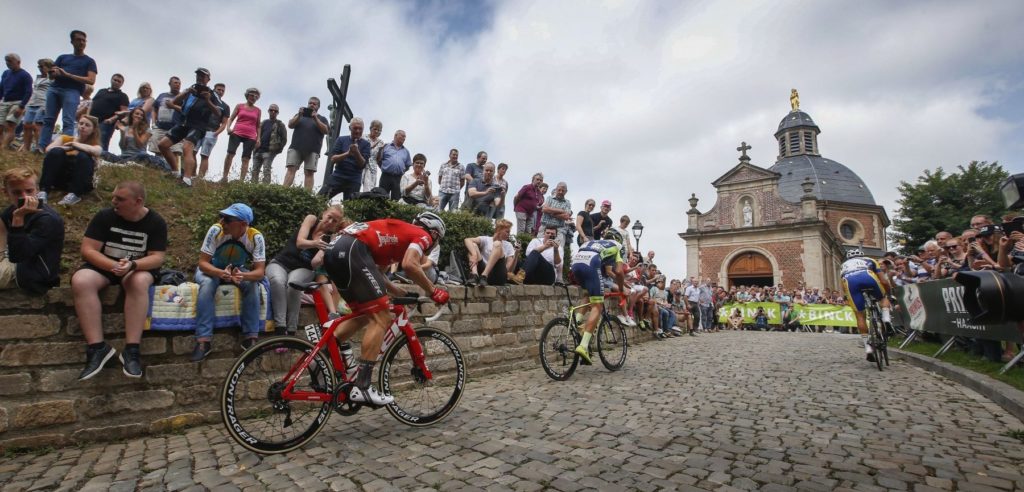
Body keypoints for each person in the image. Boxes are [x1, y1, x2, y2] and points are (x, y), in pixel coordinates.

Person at [318, 211, 450, 406]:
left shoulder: (395, 238)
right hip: (352, 250)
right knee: (382, 318)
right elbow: (410, 264)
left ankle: (319, 358)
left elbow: (376, 274)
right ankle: (362, 386)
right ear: (435, 233)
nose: (433, 245)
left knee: (365, 314)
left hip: (336, 251)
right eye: (437, 240)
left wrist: (401, 293)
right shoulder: (422, 235)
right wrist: (433, 291)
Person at [75, 181, 167, 380]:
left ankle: (132, 350)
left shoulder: (156, 222)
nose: (113, 201)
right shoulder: (104, 217)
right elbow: (88, 250)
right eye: (114, 196)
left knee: (139, 282)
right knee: (81, 281)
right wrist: (112, 266)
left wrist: (132, 265)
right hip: (105, 267)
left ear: (138, 201)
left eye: (120, 199)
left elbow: (157, 257)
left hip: (136, 268)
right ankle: (97, 348)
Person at [191, 203, 267, 361]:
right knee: (207, 285)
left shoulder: (255, 237)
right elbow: (203, 263)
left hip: (237, 269)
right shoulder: (216, 230)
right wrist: (219, 273)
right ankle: (203, 341)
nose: (222, 221)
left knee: (253, 285)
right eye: (222, 217)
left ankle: (251, 339)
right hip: (212, 268)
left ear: (243, 224)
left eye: (228, 219)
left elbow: (260, 272)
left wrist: (243, 276)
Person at [267, 204, 345, 335]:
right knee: (277, 280)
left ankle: (291, 329)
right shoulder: (311, 219)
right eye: (329, 217)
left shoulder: (329, 238)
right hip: (280, 262)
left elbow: (314, 264)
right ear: (324, 213)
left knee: (294, 284)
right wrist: (315, 243)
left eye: (334, 221)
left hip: (304, 268)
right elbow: (300, 242)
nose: (330, 222)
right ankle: (280, 327)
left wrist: (324, 252)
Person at [0, 167, 64, 294]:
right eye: (17, 192)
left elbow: (19, 255)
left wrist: (18, 218)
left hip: (33, 276)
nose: (25, 197)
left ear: (38, 190)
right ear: (5, 192)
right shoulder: (9, 211)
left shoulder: (47, 219)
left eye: (29, 191)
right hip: (11, 264)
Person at [157, 68, 224, 184]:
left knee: (187, 148)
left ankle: (187, 180)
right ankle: (175, 172)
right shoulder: (191, 89)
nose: (200, 78)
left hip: (198, 126)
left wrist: (208, 100)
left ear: (208, 79)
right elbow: (174, 102)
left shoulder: (212, 94)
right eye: (198, 75)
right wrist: (186, 92)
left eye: (203, 76)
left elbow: (218, 113)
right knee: (162, 145)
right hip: (184, 123)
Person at [569, 230, 627, 364]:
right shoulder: (617, 246)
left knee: (587, 294)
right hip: (591, 263)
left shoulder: (593, 241)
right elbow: (618, 271)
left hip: (576, 264)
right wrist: (622, 288)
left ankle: (576, 322)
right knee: (597, 306)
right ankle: (583, 346)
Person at [39, 30, 97, 150]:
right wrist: (54, 72)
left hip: (72, 91)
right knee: (49, 119)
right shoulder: (62, 57)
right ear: (72, 41)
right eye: (78, 40)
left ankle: (65, 149)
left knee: (68, 120)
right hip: (55, 89)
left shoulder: (89, 61)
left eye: (84, 40)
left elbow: (91, 80)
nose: (81, 42)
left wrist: (68, 75)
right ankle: (41, 147)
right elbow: (52, 75)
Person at [840, 249, 893, 362]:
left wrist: (848, 299)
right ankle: (886, 319)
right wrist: (888, 293)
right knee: (883, 298)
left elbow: (843, 286)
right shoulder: (870, 260)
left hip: (850, 281)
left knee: (860, 315)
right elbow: (883, 281)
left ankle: (868, 348)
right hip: (867, 276)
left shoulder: (843, 265)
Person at [38, 115, 101, 206]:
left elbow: (97, 151)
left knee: (83, 156)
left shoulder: (95, 145)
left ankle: (74, 194)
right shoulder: (65, 139)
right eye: (81, 123)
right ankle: (43, 191)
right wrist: (69, 147)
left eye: (87, 125)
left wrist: (76, 145)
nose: (83, 126)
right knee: (56, 151)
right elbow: (48, 149)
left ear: (94, 129)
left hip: (80, 181)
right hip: (60, 178)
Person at [102, 107, 169, 170]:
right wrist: (122, 133)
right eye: (137, 114)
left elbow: (140, 145)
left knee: (143, 155)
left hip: (138, 157)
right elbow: (122, 146)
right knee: (103, 153)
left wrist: (134, 130)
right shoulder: (125, 128)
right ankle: (124, 164)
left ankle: (125, 164)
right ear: (131, 115)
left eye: (141, 115)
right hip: (123, 157)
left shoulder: (147, 130)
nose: (139, 116)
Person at [286, 97, 330, 190]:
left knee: (309, 173)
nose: (312, 105)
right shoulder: (300, 115)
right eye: (310, 103)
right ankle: (283, 191)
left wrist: (316, 118)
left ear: (318, 107)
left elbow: (326, 130)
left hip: (313, 150)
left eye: (314, 104)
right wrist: (298, 115)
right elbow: (290, 125)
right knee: (291, 170)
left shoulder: (322, 118)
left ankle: (307, 196)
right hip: (296, 147)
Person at [220, 88, 262, 183]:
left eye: (256, 96)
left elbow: (258, 125)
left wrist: (258, 138)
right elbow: (231, 118)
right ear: (247, 95)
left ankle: (241, 181)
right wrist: (228, 128)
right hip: (236, 133)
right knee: (230, 153)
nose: (254, 98)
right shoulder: (239, 106)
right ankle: (224, 177)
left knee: (246, 158)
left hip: (251, 136)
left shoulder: (258, 110)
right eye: (252, 95)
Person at [326, 117, 371, 200]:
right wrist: (348, 153)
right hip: (337, 176)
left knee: (350, 209)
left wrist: (356, 152)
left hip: (354, 180)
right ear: (350, 128)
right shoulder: (341, 140)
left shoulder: (366, 144)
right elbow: (333, 159)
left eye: (360, 129)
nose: (357, 131)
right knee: (320, 198)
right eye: (355, 128)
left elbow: (362, 165)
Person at [464, 219, 517, 287]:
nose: (508, 234)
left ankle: (484, 276)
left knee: (497, 244)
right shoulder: (486, 239)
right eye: (507, 232)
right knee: (473, 245)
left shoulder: (508, 245)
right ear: (499, 230)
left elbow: (509, 270)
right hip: (482, 274)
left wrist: (516, 253)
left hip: (498, 276)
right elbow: (467, 240)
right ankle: (474, 276)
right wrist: (474, 255)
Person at [18, 59, 53, 152]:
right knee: (26, 125)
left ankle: (39, 148)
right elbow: (33, 91)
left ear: (49, 67)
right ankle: (26, 148)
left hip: (43, 103)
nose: (40, 68)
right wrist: (27, 104)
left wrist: (47, 106)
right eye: (39, 66)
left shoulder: (52, 79)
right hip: (32, 103)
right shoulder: (38, 78)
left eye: (42, 66)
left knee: (37, 126)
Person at [0, 53, 34, 151]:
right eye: (6, 61)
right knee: (0, 126)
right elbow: (1, 88)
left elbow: (28, 92)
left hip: (17, 103)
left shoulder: (25, 75)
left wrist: (21, 106)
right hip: (5, 101)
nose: (7, 63)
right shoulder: (5, 73)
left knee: (10, 126)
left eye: (10, 61)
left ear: (18, 62)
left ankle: (3, 148)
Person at [89, 73, 129, 151]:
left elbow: (124, 112)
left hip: (105, 123)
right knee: (88, 142)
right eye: (115, 80)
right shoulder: (101, 91)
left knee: (101, 144)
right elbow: (92, 103)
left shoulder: (122, 96)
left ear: (122, 84)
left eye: (119, 81)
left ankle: (102, 161)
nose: (116, 82)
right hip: (91, 121)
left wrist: (111, 120)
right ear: (111, 80)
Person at [149, 76, 183, 168]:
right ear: (170, 84)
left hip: (175, 129)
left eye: (179, 83)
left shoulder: (182, 97)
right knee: (158, 150)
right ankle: (158, 169)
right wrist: (153, 122)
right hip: (159, 127)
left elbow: (185, 110)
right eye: (175, 83)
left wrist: (173, 106)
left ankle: (176, 173)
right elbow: (154, 108)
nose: (178, 85)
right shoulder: (162, 95)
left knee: (176, 151)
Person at [197, 83, 230, 179]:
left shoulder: (225, 106)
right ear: (214, 89)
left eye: (222, 90)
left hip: (212, 131)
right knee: (192, 151)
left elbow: (224, 123)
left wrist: (216, 133)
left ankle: (200, 178)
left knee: (205, 155)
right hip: (199, 128)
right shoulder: (206, 99)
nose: (220, 92)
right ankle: (191, 174)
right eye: (218, 89)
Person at [377, 130, 412, 200]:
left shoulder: (406, 151)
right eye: (402, 136)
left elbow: (408, 165)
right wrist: (385, 168)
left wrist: (400, 171)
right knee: (382, 197)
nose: (404, 138)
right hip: (385, 176)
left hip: (398, 178)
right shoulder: (386, 146)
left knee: (396, 198)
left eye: (405, 137)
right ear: (395, 135)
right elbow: (379, 160)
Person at [540, 182, 573, 246]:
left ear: (566, 191)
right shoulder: (549, 198)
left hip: (559, 229)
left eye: (563, 191)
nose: (560, 192)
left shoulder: (568, 202)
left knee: (558, 248)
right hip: (544, 227)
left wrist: (552, 213)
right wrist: (561, 210)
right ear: (556, 189)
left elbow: (566, 216)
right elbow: (544, 209)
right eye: (559, 190)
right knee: (540, 246)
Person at [362, 120, 385, 192]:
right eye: (375, 129)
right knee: (356, 183)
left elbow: (378, 159)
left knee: (369, 188)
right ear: (370, 128)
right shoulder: (363, 137)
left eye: (379, 130)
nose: (377, 131)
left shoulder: (381, 142)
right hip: (361, 163)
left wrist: (381, 150)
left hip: (372, 167)